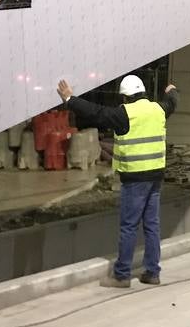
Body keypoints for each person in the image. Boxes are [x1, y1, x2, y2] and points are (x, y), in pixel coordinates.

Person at [57, 74, 177, 288]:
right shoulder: (158, 109)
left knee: (129, 226)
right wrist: (171, 90)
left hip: (135, 179)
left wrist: (70, 99)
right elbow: (172, 102)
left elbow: (95, 112)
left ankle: (121, 275)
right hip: (156, 176)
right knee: (152, 225)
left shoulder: (124, 115)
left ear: (125, 97)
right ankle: (152, 272)